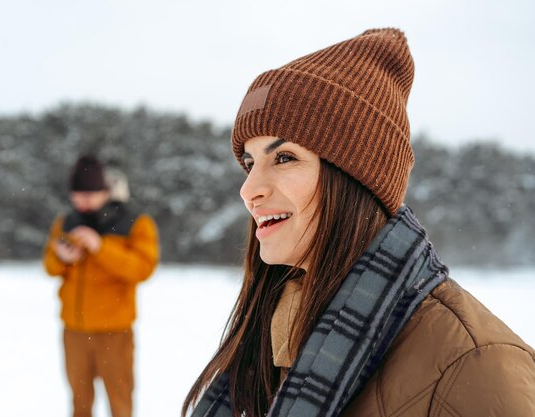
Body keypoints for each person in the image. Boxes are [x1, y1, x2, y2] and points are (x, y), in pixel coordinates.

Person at [183, 28, 535, 417]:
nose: (248, 190)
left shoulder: (477, 365)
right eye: (250, 164)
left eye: (283, 158)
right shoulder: (272, 339)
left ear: (355, 178)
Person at [43, 155, 159, 417]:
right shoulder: (65, 222)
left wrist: (99, 247)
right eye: (76, 195)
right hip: (73, 331)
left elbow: (143, 269)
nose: (80, 202)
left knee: (120, 403)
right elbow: (49, 267)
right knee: (79, 404)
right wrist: (61, 258)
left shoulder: (137, 223)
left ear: (105, 191)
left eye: (88, 195)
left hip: (114, 333)